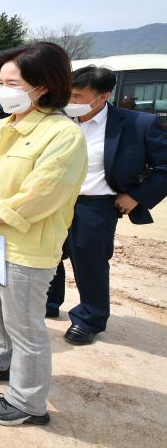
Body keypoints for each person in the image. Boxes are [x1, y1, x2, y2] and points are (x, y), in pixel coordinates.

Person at [0, 42, 87, 426]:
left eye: (12, 82)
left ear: (42, 86)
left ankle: (28, 402)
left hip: (25, 248)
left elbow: (43, 192)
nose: (3, 89)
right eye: (0, 81)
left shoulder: (62, 134)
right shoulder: (2, 125)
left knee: (26, 326)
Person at [46, 65, 167, 344]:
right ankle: (49, 303)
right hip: (54, 200)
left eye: (77, 96)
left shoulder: (137, 124)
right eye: (67, 95)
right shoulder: (58, 120)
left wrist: (137, 195)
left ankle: (90, 318)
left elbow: (164, 168)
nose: (70, 102)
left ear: (103, 96)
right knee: (48, 253)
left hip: (94, 204)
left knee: (89, 260)